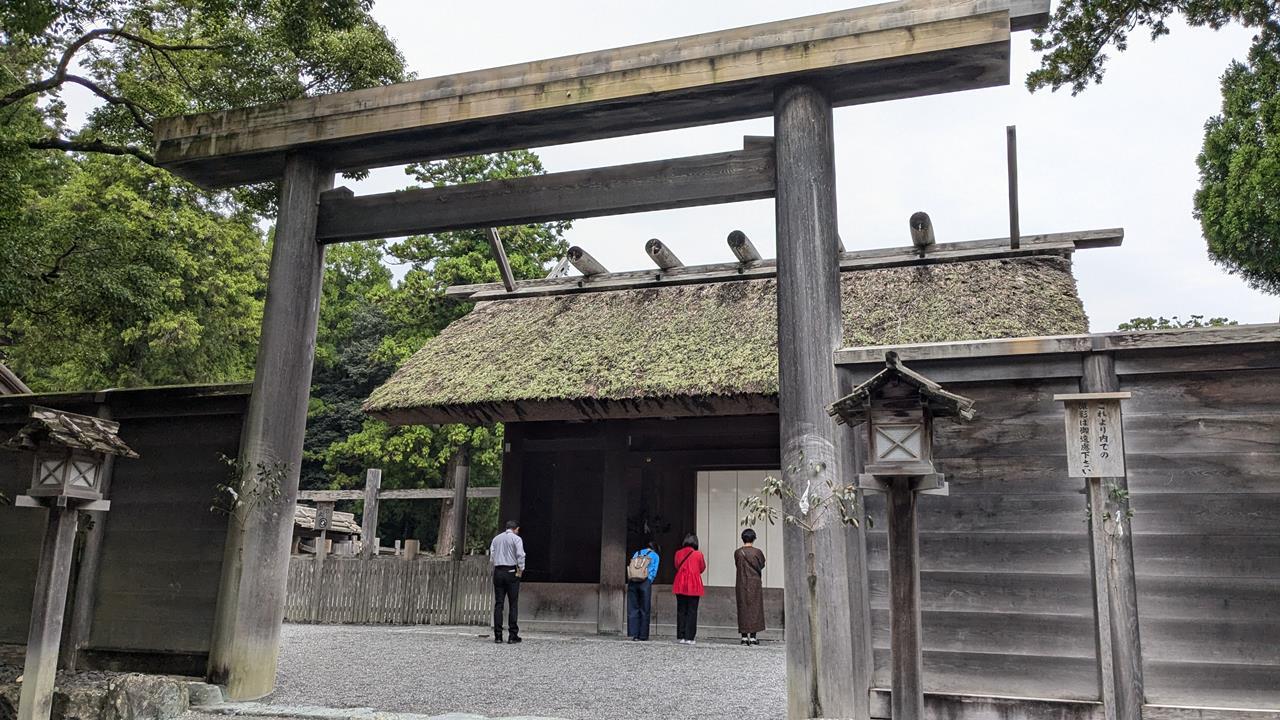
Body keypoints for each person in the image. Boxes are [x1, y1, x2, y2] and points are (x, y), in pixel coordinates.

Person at [489, 520, 525, 644]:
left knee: (499, 603)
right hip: (511, 571)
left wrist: (497, 563)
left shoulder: (496, 539)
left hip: (498, 571)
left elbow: (492, 556)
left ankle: (498, 635)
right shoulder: (516, 539)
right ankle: (512, 635)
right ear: (516, 529)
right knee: (513, 603)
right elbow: (520, 554)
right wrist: (521, 568)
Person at [671, 533, 706, 645]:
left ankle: (681, 636)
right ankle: (689, 637)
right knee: (692, 610)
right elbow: (702, 568)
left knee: (681, 610)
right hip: (694, 584)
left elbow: (677, 566)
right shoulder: (698, 554)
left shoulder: (678, 553)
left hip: (680, 582)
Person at [734, 528, 767, 646]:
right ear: (754, 539)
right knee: (755, 609)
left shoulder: (738, 552)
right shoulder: (757, 552)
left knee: (743, 608)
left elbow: (737, 564)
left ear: (743, 538)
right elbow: (762, 564)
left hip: (741, 583)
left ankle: (743, 637)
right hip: (755, 583)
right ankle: (753, 637)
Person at [627, 540, 660, 641]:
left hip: (633, 581)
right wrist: (649, 579)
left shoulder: (637, 553)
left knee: (633, 607)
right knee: (644, 608)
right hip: (645, 581)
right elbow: (654, 570)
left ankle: (634, 634)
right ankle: (643, 635)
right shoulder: (655, 555)